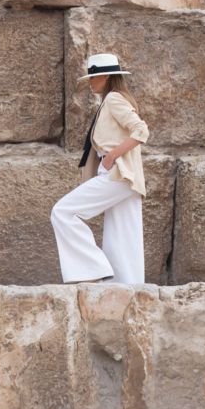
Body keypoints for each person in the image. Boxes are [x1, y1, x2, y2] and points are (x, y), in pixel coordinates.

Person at [51, 53, 149, 284]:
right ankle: (128, 287)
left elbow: (141, 130)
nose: (90, 82)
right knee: (123, 235)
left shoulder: (114, 99)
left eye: (93, 77)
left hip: (117, 173)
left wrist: (112, 155)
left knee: (63, 212)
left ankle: (93, 268)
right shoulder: (113, 100)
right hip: (124, 176)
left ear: (104, 76)